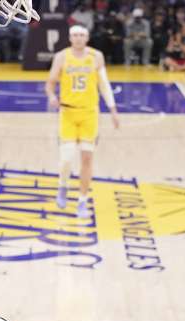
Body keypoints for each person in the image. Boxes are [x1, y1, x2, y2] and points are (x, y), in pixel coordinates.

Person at [45, 24, 120, 221]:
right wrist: (52, 96)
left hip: (89, 114)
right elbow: (50, 83)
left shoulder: (96, 56)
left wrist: (112, 109)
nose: (78, 38)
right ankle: (63, 185)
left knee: (87, 159)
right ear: (70, 38)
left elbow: (104, 85)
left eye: (82, 35)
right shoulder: (61, 57)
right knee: (67, 160)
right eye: (75, 35)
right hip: (67, 113)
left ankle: (82, 201)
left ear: (87, 38)